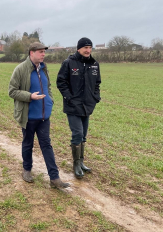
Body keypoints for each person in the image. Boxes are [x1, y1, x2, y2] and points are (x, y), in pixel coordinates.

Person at [9, 42, 70, 189]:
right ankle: (27, 170)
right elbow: (12, 91)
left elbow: (48, 86)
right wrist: (30, 96)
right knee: (28, 144)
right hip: (28, 116)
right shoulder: (20, 69)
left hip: (44, 116)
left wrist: (50, 100)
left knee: (46, 145)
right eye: (40, 52)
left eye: (44, 52)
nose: (43, 54)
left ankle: (54, 178)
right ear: (31, 53)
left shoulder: (43, 68)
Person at [56, 37, 101, 179]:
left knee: (83, 135)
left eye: (90, 48)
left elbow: (97, 83)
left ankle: (81, 162)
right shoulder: (69, 63)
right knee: (77, 133)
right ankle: (75, 164)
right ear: (78, 49)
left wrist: (95, 97)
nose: (88, 50)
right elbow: (61, 82)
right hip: (73, 106)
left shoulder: (94, 64)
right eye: (85, 48)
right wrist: (69, 97)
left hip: (87, 106)